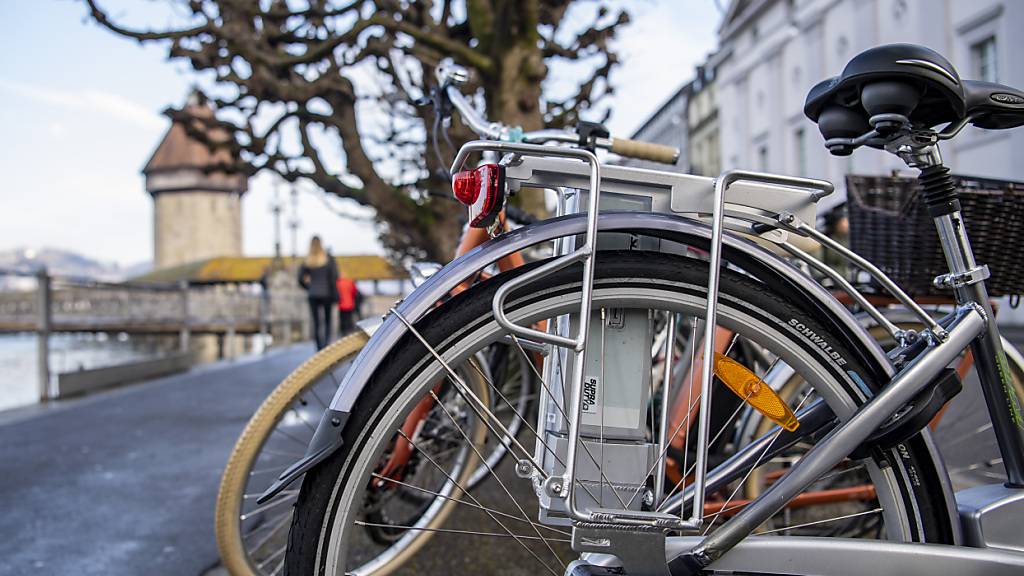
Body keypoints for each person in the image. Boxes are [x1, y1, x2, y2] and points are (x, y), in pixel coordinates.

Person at [298, 236, 338, 350]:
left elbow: (300, 278)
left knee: (316, 322)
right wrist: (334, 292)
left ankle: (318, 347)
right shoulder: (328, 259)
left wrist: (308, 287)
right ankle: (326, 345)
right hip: (327, 293)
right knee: (327, 320)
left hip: (313, 294)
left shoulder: (307, 260)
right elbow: (334, 277)